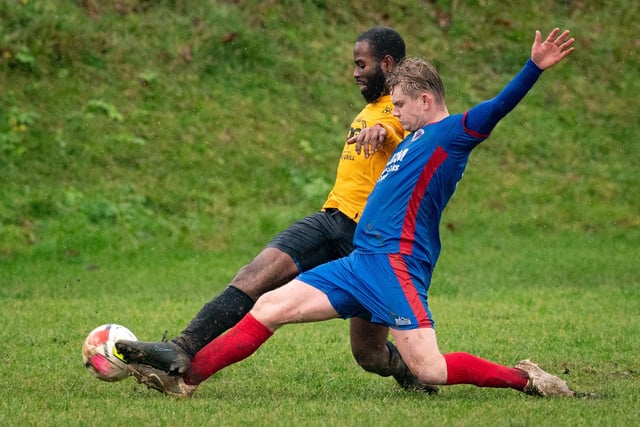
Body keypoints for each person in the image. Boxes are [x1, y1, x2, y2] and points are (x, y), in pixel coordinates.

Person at [124, 27, 578, 398]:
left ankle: (526, 379)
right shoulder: (414, 136)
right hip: (360, 262)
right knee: (270, 306)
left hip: (396, 267)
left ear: (425, 99)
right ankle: (184, 379)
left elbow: (499, 107)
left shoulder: (453, 133)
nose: (395, 113)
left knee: (432, 369)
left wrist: (533, 67)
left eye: (400, 105)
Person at [117, 26, 439, 395]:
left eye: (361, 64)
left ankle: (407, 371)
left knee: (367, 353)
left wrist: (384, 132)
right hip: (329, 219)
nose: (354, 73)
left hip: (367, 241)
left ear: (386, 63)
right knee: (255, 274)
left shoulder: (403, 111)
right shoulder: (369, 109)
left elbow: (399, 133)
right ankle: (181, 348)